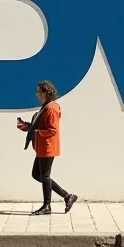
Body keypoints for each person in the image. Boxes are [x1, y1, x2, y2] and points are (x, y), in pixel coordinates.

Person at [17, 80, 79, 215]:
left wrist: (36, 132)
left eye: (39, 92)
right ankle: (67, 196)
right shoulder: (45, 107)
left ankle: (47, 206)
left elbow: (52, 130)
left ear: (45, 92)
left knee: (44, 176)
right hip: (41, 147)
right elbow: (39, 127)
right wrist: (27, 126)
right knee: (37, 175)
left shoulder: (51, 108)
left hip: (47, 146)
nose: (37, 94)